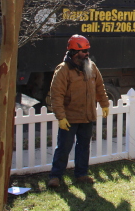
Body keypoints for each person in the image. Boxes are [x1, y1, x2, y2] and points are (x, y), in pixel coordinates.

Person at [47, 34, 110, 188]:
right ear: (73, 53)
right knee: (63, 147)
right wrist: (61, 117)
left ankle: (81, 174)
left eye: (87, 51)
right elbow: (56, 95)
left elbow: (99, 87)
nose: (86, 54)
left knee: (83, 147)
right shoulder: (63, 70)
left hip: (87, 117)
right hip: (70, 118)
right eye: (83, 52)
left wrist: (104, 103)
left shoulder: (91, 66)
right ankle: (55, 176)